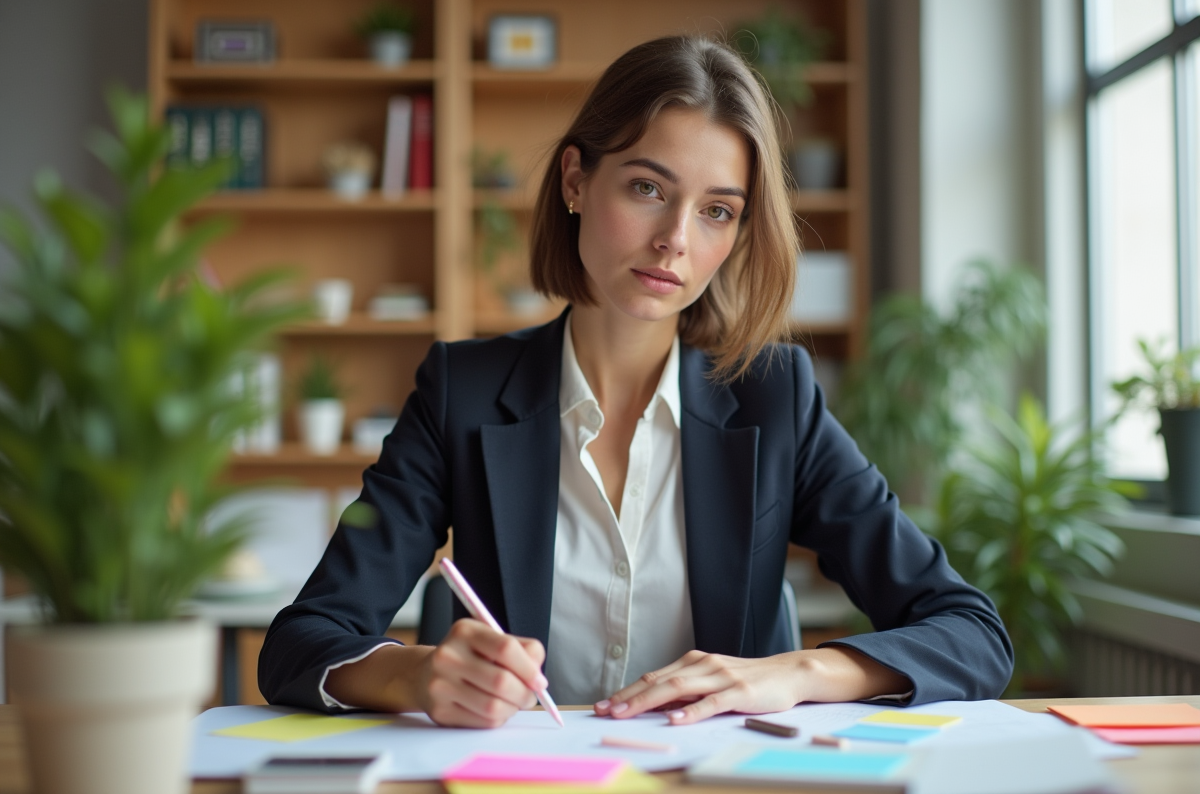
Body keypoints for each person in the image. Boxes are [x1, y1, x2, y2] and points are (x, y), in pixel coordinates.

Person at [259, 35, 1013, 729]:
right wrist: (415, 674)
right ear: (576, 180)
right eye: (649, 189)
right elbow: (299, 643)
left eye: (718, 211)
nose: (675, 241)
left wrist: (798, 672)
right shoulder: (462, 392)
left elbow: (971, 633)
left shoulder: (776, 398)